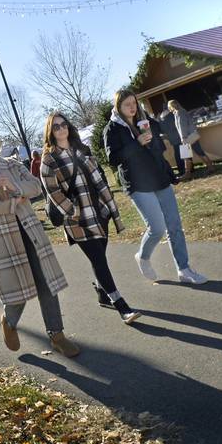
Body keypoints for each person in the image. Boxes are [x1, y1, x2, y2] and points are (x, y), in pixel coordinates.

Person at [0, 123, 80, 357]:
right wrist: (11, 203)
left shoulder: (12, 165)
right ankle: (9, 320)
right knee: (18, 287)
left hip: (29, 229)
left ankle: (57, 335)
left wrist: (15, 186)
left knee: (45, 280)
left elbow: (36, 186)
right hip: (2, 238)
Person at [41, 112, 141, 325]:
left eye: (64, 124)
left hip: (99, 211)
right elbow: (53, 192)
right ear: (50, 131)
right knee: (98, 259)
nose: (61, 129)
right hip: (77, 219)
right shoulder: (49, 160)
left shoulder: (82, 149)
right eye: (56, 127)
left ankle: (101, 291)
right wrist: (74, 212)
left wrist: (109, 206)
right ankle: (121, 305)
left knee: (100, 257)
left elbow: (100, 178)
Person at [104, 89, 208, 285]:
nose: (132, 107)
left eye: (134, 103)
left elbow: (160, 148)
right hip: (138, 184)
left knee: (175, 225)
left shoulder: (146, 120)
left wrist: (153, 139)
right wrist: (137, 143)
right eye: (127, 104)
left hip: (159, 178)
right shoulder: (112, 129)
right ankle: (143, 256)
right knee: (157, 228)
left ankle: (184, 269)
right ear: (119, 107)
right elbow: (113, 158)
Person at [168, 100, 214, 177]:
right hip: (190, 135)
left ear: (171, 106)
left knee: (188, 155)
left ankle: (188, 173)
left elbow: (183, 126)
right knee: (194, 154)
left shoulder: (179, 113)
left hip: (188, 137)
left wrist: (183, 138)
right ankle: (209, 168)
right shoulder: (180, 111)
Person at [158, 107, 186, 179]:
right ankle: (187, 169)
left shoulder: (161, 119)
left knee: (177, 154)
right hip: (179, 136)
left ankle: (181, 170)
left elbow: (162, 131)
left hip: (172, 139)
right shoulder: (172, 115)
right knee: (184, 153)